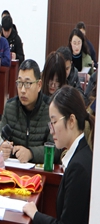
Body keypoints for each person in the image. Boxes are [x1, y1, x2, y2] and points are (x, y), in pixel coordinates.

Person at [23, 86, 94, 224]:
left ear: (71, 121)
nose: (51, 131)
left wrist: (36, 215)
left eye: (54, 122)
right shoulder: (79, 155)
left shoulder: (79, 167)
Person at [0, 59, 59, 164]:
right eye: (20, 83)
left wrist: (31, 153)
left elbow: (56, 149)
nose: (23, 90)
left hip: (40, 171)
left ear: (39, 85)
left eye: (28, 83)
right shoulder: (10, 107)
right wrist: (0, 147)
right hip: (13, 170)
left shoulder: (51, 109)